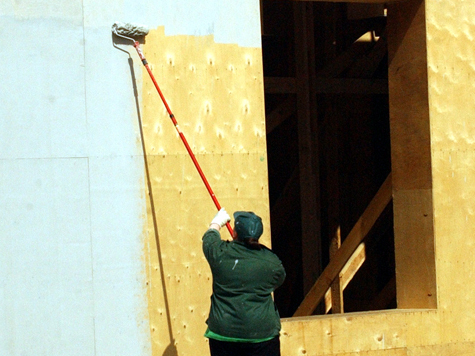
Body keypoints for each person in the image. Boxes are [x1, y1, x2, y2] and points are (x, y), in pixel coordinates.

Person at [202, 208, 286, 356]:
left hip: (224, 334)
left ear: (235, 233)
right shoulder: (271, 261)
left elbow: (209, 239)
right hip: (262, 334)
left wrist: (216, 223)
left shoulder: (220, 253)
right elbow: (279, 280)